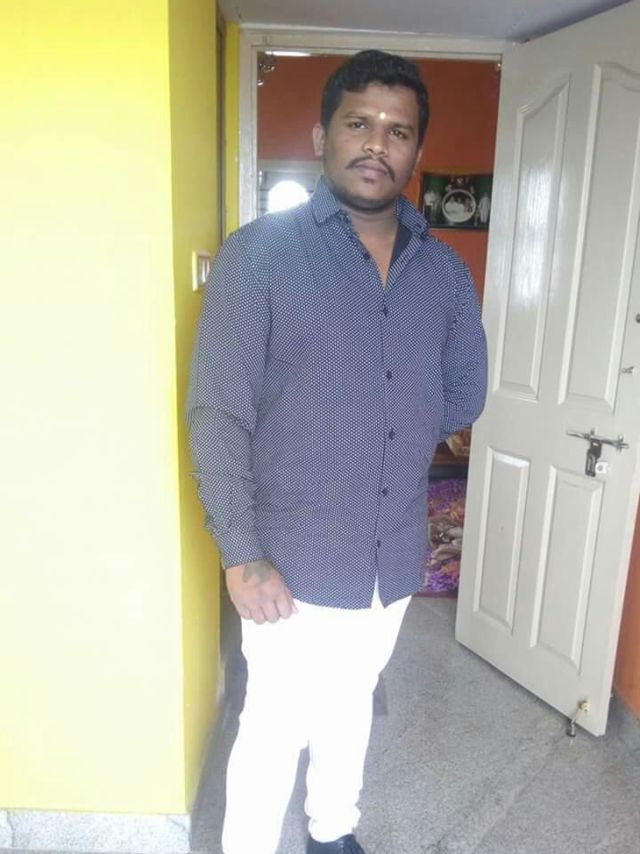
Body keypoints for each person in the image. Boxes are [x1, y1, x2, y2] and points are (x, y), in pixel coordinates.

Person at [187, 50, 488, 854]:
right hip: (289, 557)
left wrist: (382, 422)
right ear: (324, 135)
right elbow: (218, 413)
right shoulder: (260, 255)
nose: (377, 143)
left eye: (399, 130)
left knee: (352, 698)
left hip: (392, 553)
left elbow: (465, 393)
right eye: (359, 123)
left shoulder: (444, 274)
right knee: (274, 724)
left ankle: (331, 830)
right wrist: (242, 554)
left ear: (416, 151)